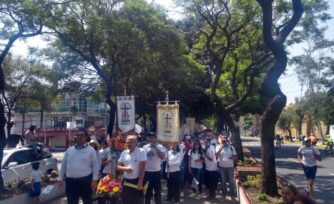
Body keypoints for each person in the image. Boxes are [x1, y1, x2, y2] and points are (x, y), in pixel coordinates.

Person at [58, 129, 99, 204]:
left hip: (86, 181)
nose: (79, 137)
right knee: (71, 202)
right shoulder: (69, 150)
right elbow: (64, 165)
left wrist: (94, 180)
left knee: (87, 202)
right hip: (71, 182)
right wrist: (60, 178)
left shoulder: (91, 150)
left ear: (86, 138)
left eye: (82, 135)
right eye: (78, 135)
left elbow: (95, 166)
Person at [117, 135, 147, 204]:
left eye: (131, 142)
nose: (129, 144)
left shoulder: (141, 151)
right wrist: (125, 169)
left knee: (138, 202)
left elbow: (143, 168)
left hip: (137, 181)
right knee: (126, 201)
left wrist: (140, 182)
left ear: (136, 142)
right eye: (127, 142)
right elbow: (118, 166)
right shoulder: (124, 152)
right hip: (126, 182)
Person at [143, 132, 166, 204]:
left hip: (156, 173)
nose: (151, 139)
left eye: (153, 137)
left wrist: (155, 147)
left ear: (156, 138)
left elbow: (162, 157)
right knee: (147, 192)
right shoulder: (145, 147)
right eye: (150, 137)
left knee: (157, 192)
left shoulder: (160, 146)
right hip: (147, 173)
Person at [216, 136, 237, 201]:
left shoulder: (231, 147)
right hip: (222, 167)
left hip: (230, 167)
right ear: (221, 141)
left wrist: (232, 158)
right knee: (223, 182)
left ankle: (232, 197)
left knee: (231, 182)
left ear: (227, 141)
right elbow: (216, 155)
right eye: (223, 141)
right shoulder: (218, 146)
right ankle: (223, 196)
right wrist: (222, 147)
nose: (224, 142)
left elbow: (235, 156)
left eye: (225, 141)